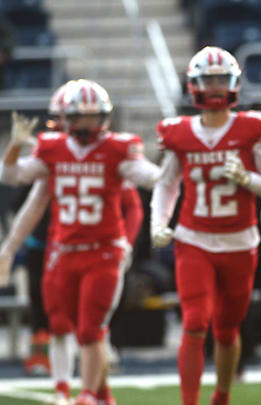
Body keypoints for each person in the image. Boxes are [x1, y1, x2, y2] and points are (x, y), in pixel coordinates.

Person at [0, 79, 159, 405]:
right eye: (78, 117)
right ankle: (75, 393)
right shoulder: (52, 151)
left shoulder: (116, 150)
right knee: (59, 324)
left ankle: (88, 394)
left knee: (91, 329)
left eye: (92, 116)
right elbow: (16, 183)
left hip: (103, 250)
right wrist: (14, 148)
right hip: (61, 250)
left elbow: (149, 180)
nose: (85, 124)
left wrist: (170, 166)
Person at [150, 46, 261, 405]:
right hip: (194, 239)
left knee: (226, 328)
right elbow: (166, 183)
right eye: (209, 79)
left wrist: (247, 179)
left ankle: (221, 395)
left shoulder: (252, 127)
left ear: (234, 82)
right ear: (194, 85)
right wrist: (159, 222)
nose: (217, 86)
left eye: (222, 79)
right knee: (194, 321)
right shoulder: (179, 132)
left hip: (239, 241)